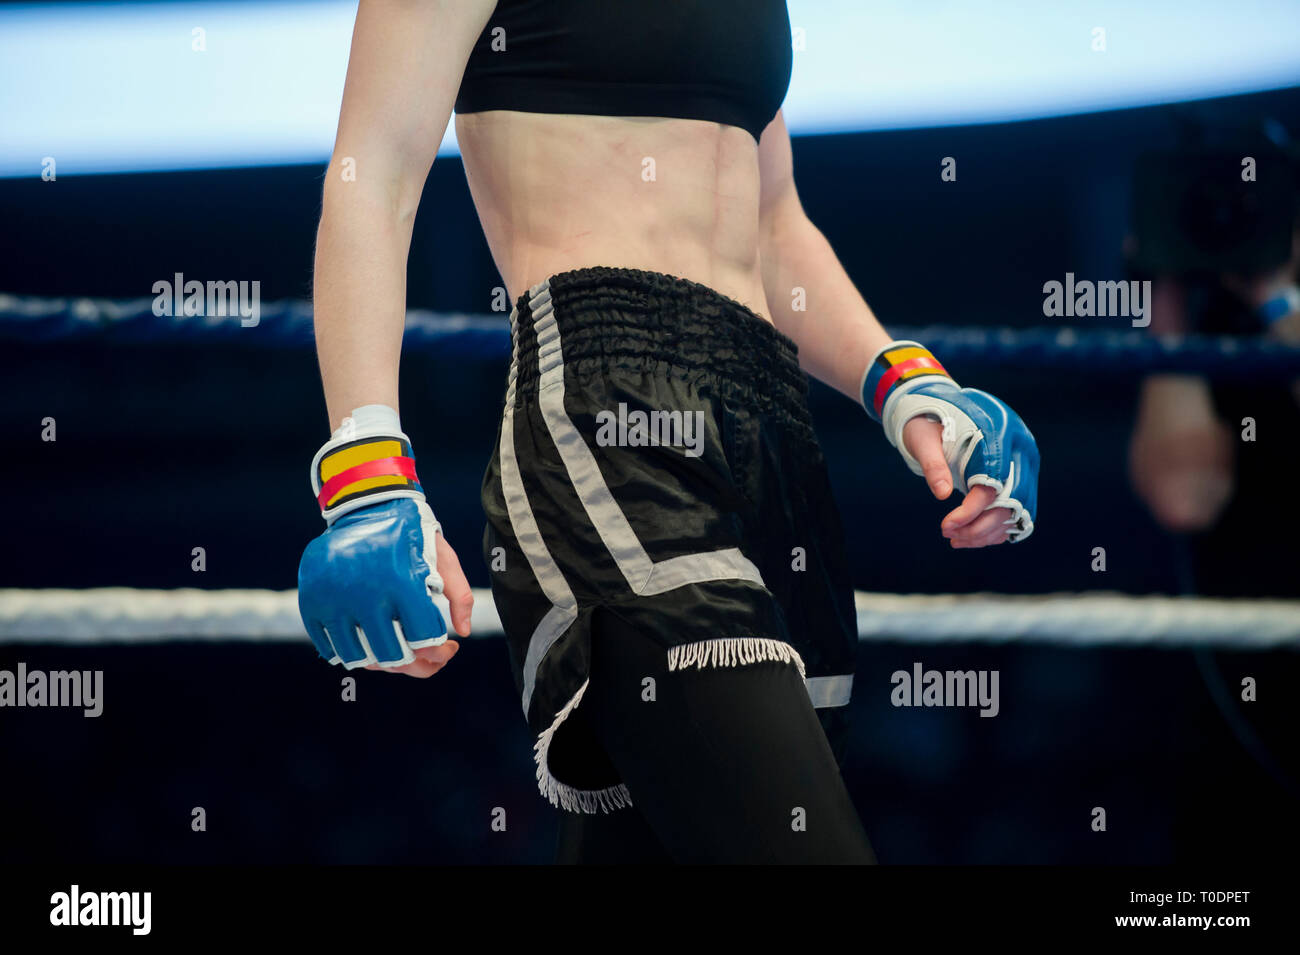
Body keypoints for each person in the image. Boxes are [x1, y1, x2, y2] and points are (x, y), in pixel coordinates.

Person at [296, 0, 1039, 864]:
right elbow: (372, 173)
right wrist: (365, 473)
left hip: (771, 426)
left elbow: (772, 224)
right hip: (611, 407)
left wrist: (909, 384)